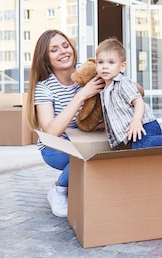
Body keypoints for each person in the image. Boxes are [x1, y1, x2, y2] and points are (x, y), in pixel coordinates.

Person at [26, 29, 105, 218]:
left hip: (83, 141)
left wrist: (116, 75)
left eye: (65, 45)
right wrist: (81, 95)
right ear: (45, 59)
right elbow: (51, 132)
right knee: (83, 155)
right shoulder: (44, 87)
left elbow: (139, 92)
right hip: (55, 148)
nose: (63, 51)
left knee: (103, 151)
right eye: (54, 50)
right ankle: (59, 188)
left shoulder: (88, 74)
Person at [95, 37, 162, 149]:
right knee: (136, 147)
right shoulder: (105, 91)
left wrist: (136, 121)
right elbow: (117, 113)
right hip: (135, 130)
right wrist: (105, 125)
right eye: (100, 62)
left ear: (122, 67)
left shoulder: (123, 83)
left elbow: (138, 102)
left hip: (145, 125)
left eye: (111, 62)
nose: (105, 66)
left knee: (140, 145)